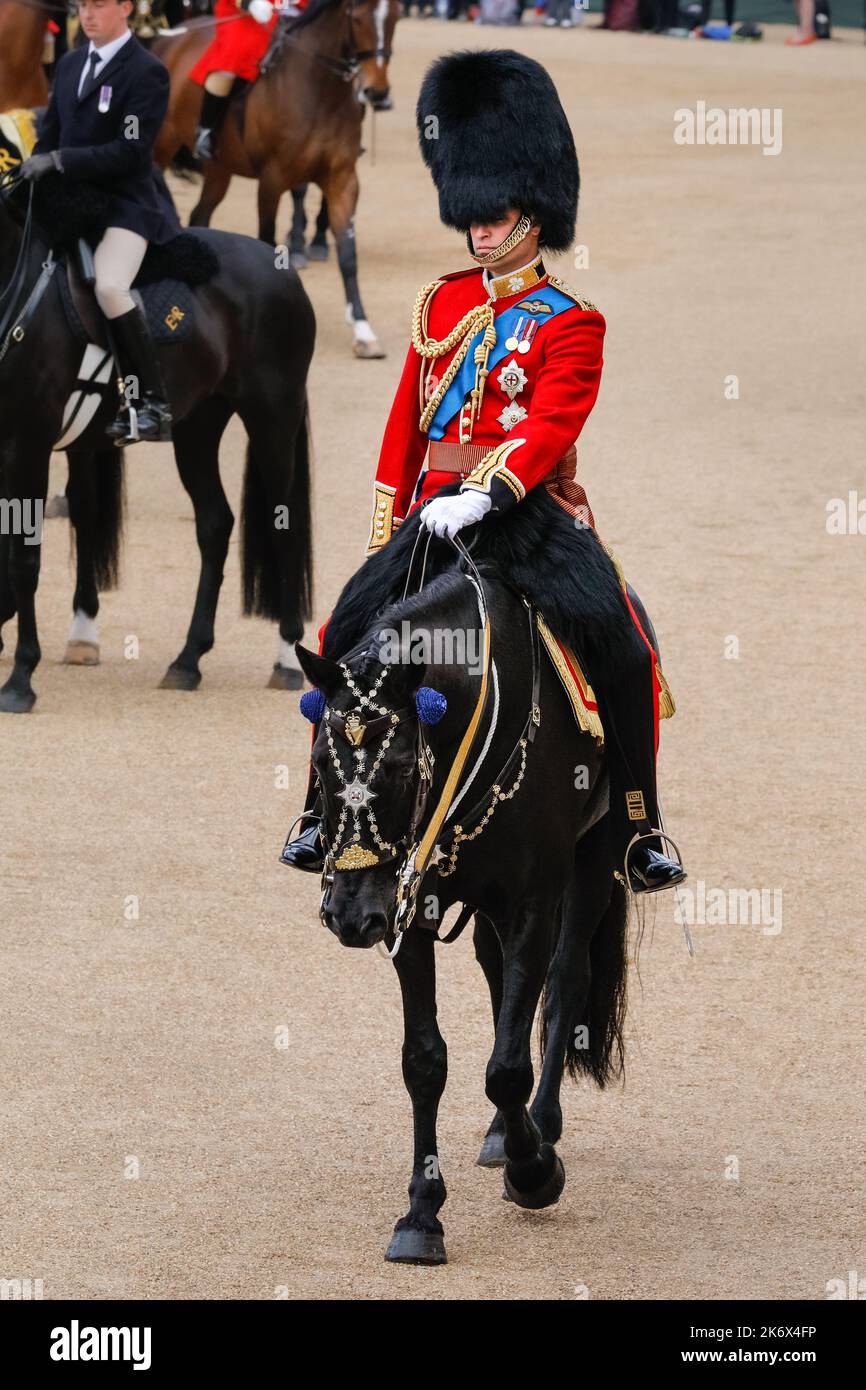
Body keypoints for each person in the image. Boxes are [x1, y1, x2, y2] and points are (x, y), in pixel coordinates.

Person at [282, 49, 685, 896]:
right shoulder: (444, 303)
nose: (479, 229)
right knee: (340, 636)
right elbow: (406, 424)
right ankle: (323, 813)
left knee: (622, 640)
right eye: (472, 215)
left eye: (494, 215)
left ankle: (638, 825)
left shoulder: (574, 320)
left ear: (533, 215)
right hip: (432, 511)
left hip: (524, 515)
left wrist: (487, 492)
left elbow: (551, 424)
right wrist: (394, 527)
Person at [22, 0, 180, 443]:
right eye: (82, 6)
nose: (87, 14)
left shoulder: (146, 72)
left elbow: (130, 152)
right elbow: (49, 134)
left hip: (125, 205)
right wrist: (31, 170)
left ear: (126, 7)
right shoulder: (71, 64)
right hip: (70, 199)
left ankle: (151, 402)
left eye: (98, 5)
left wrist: (58, 160)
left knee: (110, 285)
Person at [190, 0, 279, 162]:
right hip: (240, 15)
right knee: (232, 57)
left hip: (279, 16)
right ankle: (205, 128)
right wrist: (248, 3)